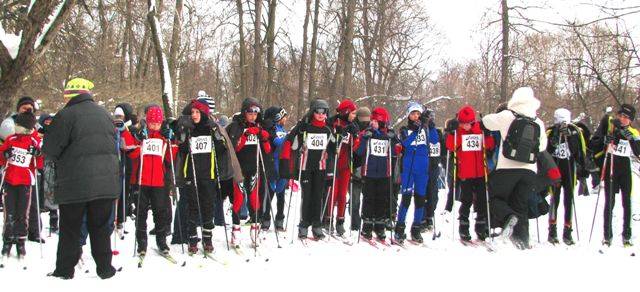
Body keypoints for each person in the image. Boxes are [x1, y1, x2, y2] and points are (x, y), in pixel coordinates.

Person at [44, 78, 119, 279]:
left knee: (70, 228)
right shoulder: (104, 114)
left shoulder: (66, 115)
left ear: (70, 94)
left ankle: (65, 270)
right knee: (101, 228)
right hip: (105, 183)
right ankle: (105, 269)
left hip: (74, 183)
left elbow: (50, 150)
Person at [482, 87, 547, 249]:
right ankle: (522, 241)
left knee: (494, 197)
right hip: (530, 170)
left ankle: (508, 216)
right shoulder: (538, 122)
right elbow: (542, 146)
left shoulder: (508, 115)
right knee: (521, 205)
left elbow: (487, 122)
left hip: (507, 168)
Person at [280, 99, 335, 240]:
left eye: (324, 112)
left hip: (320, 167)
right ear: (313, 112)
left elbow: (335, 147)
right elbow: (291, 143)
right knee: (307, 196)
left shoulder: (328, 129)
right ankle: (304, 224)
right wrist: (299, 129)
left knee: (318, 196)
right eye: (318, 111)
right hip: (305, 167)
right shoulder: (306, 127)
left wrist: (339, 133)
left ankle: (316, 225)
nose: (321, 114)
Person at [178, 99, 226, 254]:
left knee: (207, 207)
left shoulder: (210, 128)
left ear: (204, 113)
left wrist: (216, 134)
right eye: (192, 112)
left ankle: (207, 239)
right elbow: (182, 149)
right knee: (192, 207)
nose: (194, 115)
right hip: (192, 174)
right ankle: (192, 239)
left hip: (208, 174)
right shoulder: (189, 129)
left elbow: (221, 149)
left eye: (197, 112)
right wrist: (184, 132)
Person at [590, 103, 640, 246]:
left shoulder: (634, 132)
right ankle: (607, 236)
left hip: (625, 169)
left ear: (630, 120)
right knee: (609, 202)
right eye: (621, 116)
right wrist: (607, 140)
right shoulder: (611, 126)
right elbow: (598, 143)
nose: (623, 119)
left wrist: (630, 137)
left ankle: (627, 235)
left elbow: (638, 152)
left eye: (626, 117)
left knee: (627, 203)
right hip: (611, 166)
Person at [128, 105, 175, 256]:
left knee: (160, 212)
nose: (155, 126)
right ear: (147, 122)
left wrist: (171, 140)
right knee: (141, 213)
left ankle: (162, 242)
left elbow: (170, 158)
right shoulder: (143, 135)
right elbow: (132, 154)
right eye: (152, 123)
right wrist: (138, 139)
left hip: (159, 182)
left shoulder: (163, 137)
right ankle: (141, 243)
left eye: (158, 123)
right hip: (142, 180)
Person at [226, 97, 272, 246]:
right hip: (239, 169)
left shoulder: (260, 126)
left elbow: (267, 151)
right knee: (238, 200)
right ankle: (236, 231)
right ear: (244, 112)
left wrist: (264, 138)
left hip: (254, 168)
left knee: (254, 200)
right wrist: (246, 135)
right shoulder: (236, 126)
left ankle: (254, 231)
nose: (253, 115)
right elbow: (235, 148)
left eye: (256, 112)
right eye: (250, 112)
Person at [445, 105, 494, 242]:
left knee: (482, 200)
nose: (466, 126)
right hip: (465, 172)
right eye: (463, 123)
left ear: (473, 122)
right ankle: (464, 226)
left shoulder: (480, 130)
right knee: (466, 200)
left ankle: (481, 225)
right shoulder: (458, 133)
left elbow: (489, 145)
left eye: (468, 123)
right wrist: (450, 133)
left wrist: (488, 134)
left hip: (480, 172)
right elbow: (450, 147)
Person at [0, 96, 45, 243]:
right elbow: (11, 139)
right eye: (24, 108)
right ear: (18, 108)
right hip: (12, 169)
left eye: (30, 108)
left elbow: (39, 141)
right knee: (13, 205)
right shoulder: (11, 123)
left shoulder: (35, 125)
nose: (27, 110)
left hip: (29, 170)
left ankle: (34, 231)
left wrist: (37, 151)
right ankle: (10, 234)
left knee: (31, 202)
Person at [394, 102, 439, 243]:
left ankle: (416, 228)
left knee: (420, 199)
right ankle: (400, 229)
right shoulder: (404, 129)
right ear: (408, 115)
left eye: (418, 114)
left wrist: (430, 125)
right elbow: (405, 144)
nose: (416, 116)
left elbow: (435, 140)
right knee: (406, 199)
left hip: (422, 169)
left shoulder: (425, 129)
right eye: (413, 114)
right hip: (408, 168)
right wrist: (417, 130)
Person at [545, 108, 587, 245]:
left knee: (568, 199)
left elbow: (580, 151)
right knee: (554, 199)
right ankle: (552, 230)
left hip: (569, 167)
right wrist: (555, 138)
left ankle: (567, 231)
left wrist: (583, 175)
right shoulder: (550, 131)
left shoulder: (575, 131)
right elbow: (546, 152)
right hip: (555, 168)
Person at [356, 107, 398, 241]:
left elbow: (395, 152)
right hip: (369, 173)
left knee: (382, 199)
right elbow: (359, 151)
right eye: (373, 121)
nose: (374, 123)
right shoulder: (366, 133)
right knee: (369, 199)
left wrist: (393, 140)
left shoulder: (388, 134)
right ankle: (367, 225)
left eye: (377, 121)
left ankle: (380, 225)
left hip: (384, 173)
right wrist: (364, 138)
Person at [325, 99, 359, 236]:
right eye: (353, 113)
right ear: (346, 112)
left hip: (345, 164)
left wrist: (355, 136)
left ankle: (340, 221)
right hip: (334, 163)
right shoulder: (333, 122)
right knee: (333, 193)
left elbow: (355, 146)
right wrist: (341, 132)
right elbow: (331, 142)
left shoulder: (353, 125)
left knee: (342, 194)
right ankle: (328, 220)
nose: (354, 116)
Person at [261, 106, 289, 231]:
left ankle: (279, 220)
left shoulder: (283, 129)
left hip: (283, 165)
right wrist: (289, 137)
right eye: (284, 117)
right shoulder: (272, 129)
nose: (286, 119)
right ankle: (265, 218)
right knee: (270, 193)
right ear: (278, 118)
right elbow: (278, 143)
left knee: (281, 195)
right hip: (273, 165)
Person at [349, 107, 371, 232]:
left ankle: (365, 224)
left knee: (366, 199)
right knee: (355, 200)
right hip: (355, 167)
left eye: (367, 120)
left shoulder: (371, 129)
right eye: (362, 120)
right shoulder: (353, 128)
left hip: (368, 168)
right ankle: (355, 224)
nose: (365, 122)